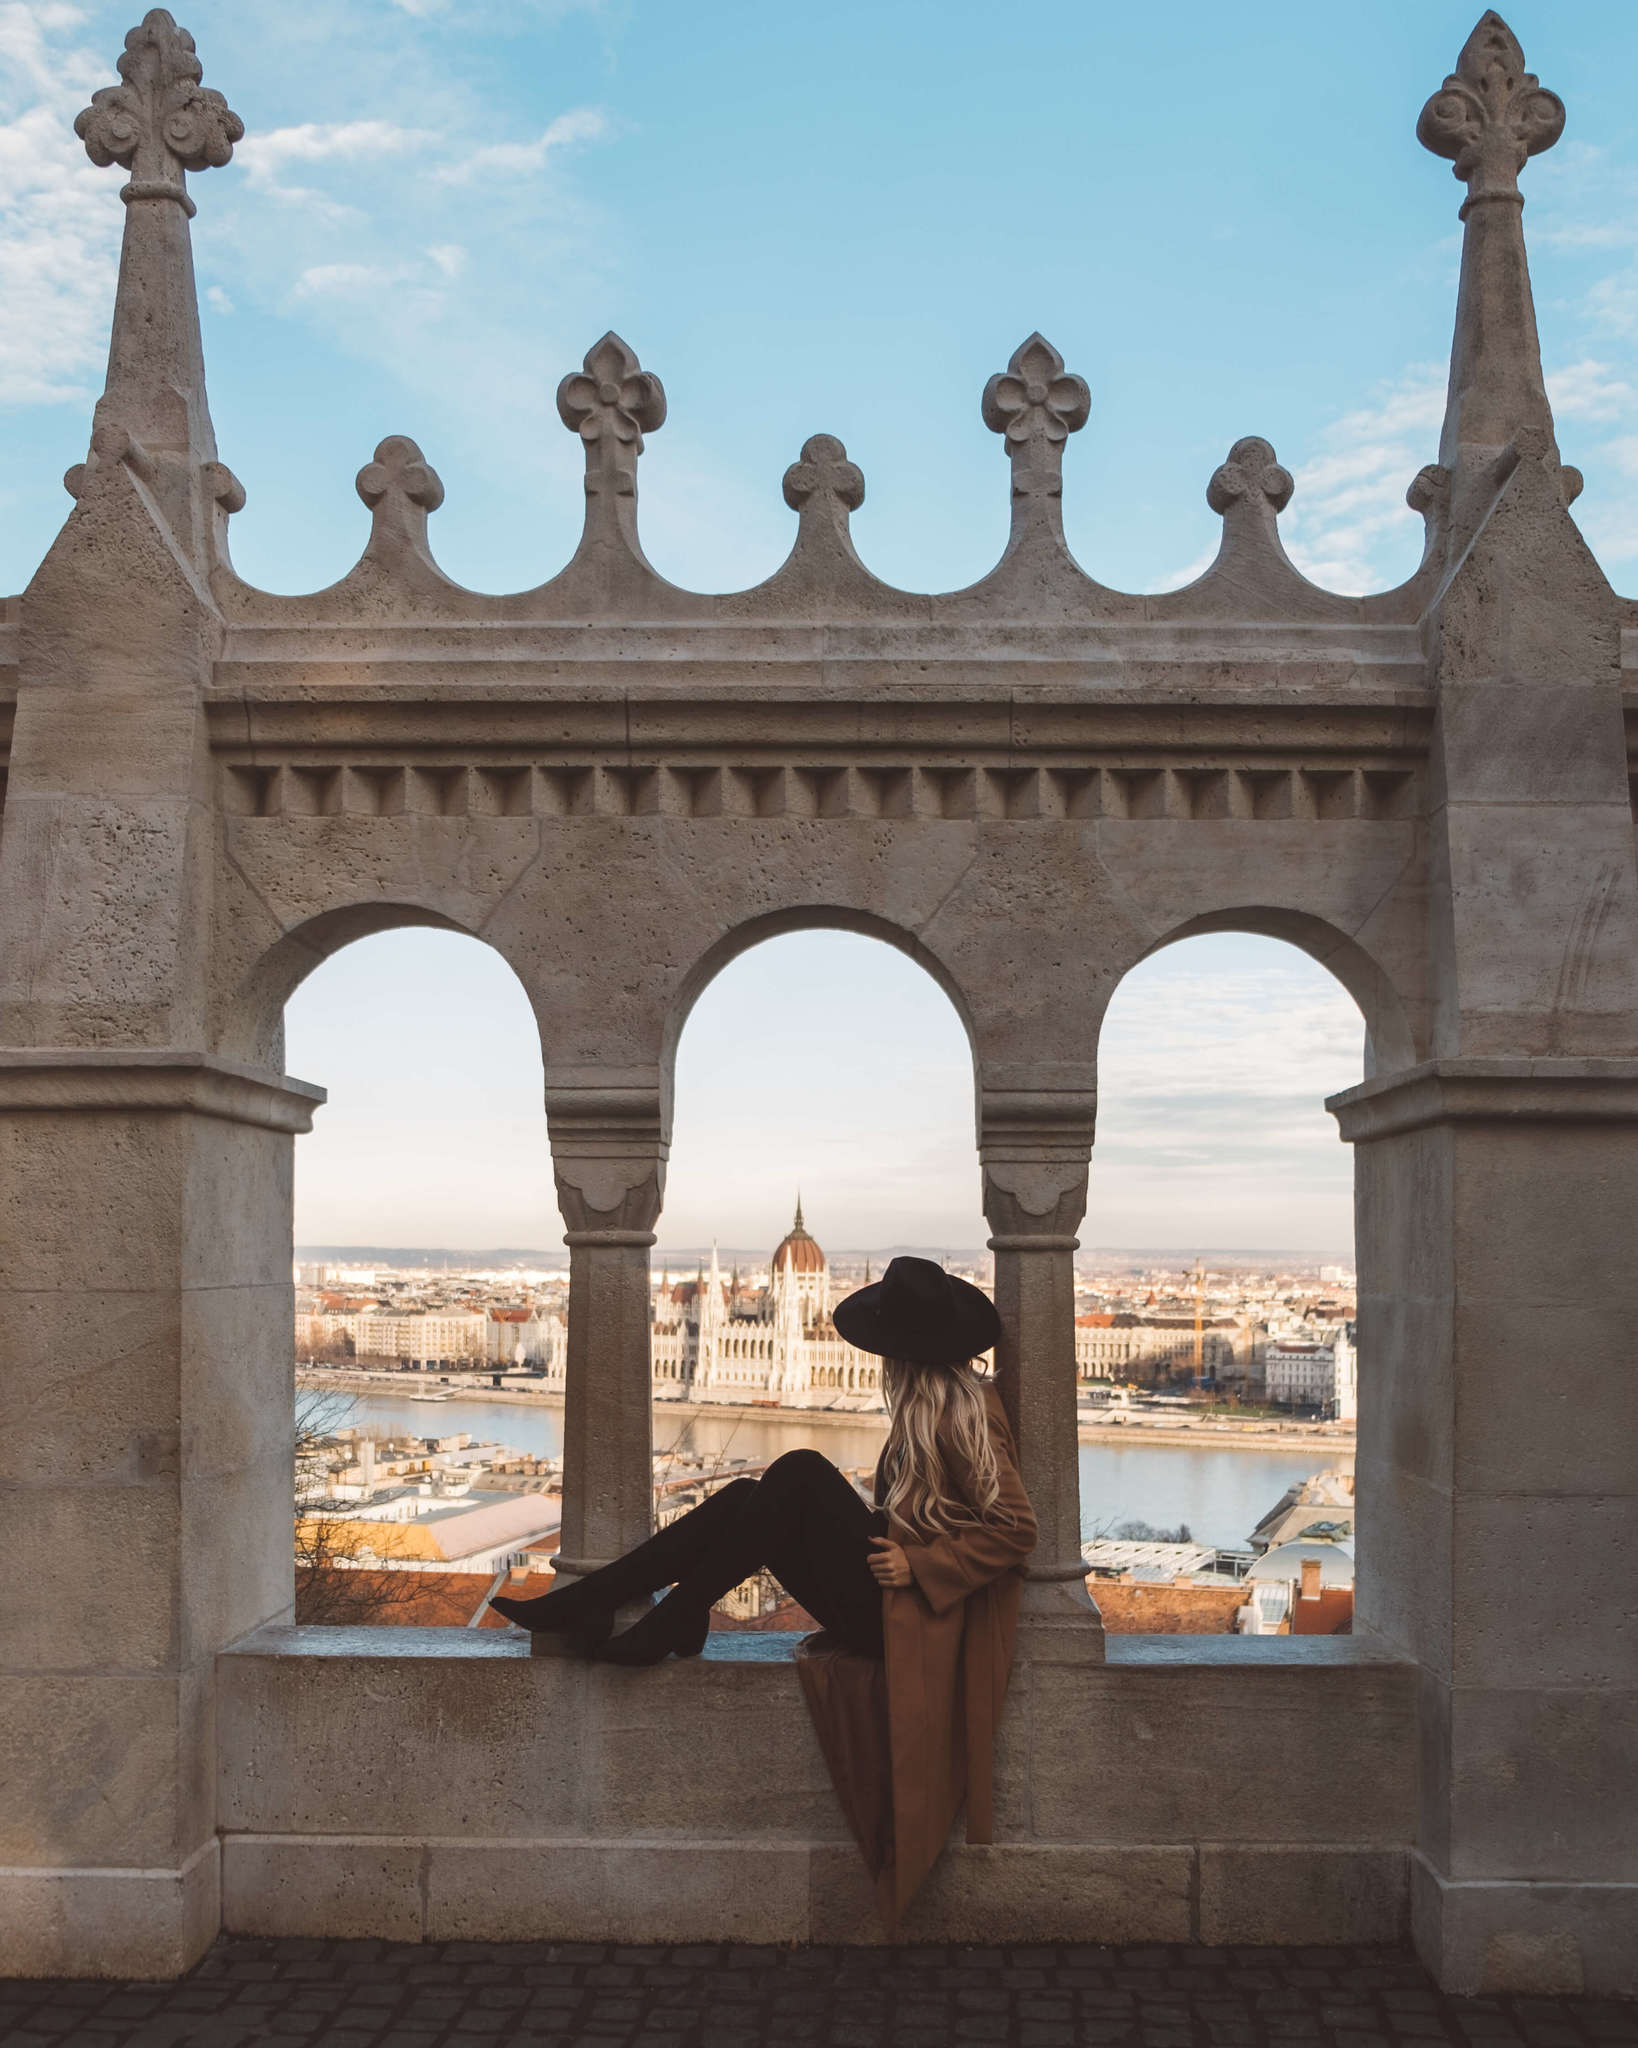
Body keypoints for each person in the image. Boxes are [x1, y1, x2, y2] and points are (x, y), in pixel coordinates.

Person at [490, 1254, 1037, 1924]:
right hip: (893, 1595)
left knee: (800, 1469)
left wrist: (921, 1567)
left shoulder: (964, 1413)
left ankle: (648, 1613)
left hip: (911, 1611)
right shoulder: (934, 1404)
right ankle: (631, 1608)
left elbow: (1016, 1530)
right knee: (750, 1495)